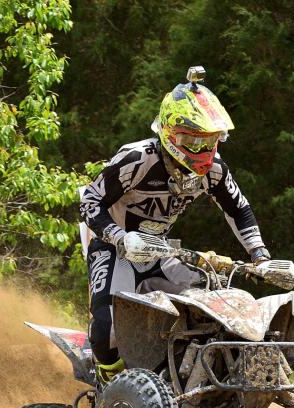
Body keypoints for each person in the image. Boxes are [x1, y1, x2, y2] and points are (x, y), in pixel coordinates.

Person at [79, 66, 270, 384]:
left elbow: (238, 208)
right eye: (190, 140)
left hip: (160, 250)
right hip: (114, 248)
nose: (200, 151)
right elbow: (89, 202)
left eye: (208, 141)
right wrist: (119, 236)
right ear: (168, 133)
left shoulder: (214, 171)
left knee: (212, 305)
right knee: (106, 329)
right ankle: (108, 388)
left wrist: (260, 255)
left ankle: (195, 380)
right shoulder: (137, 160)